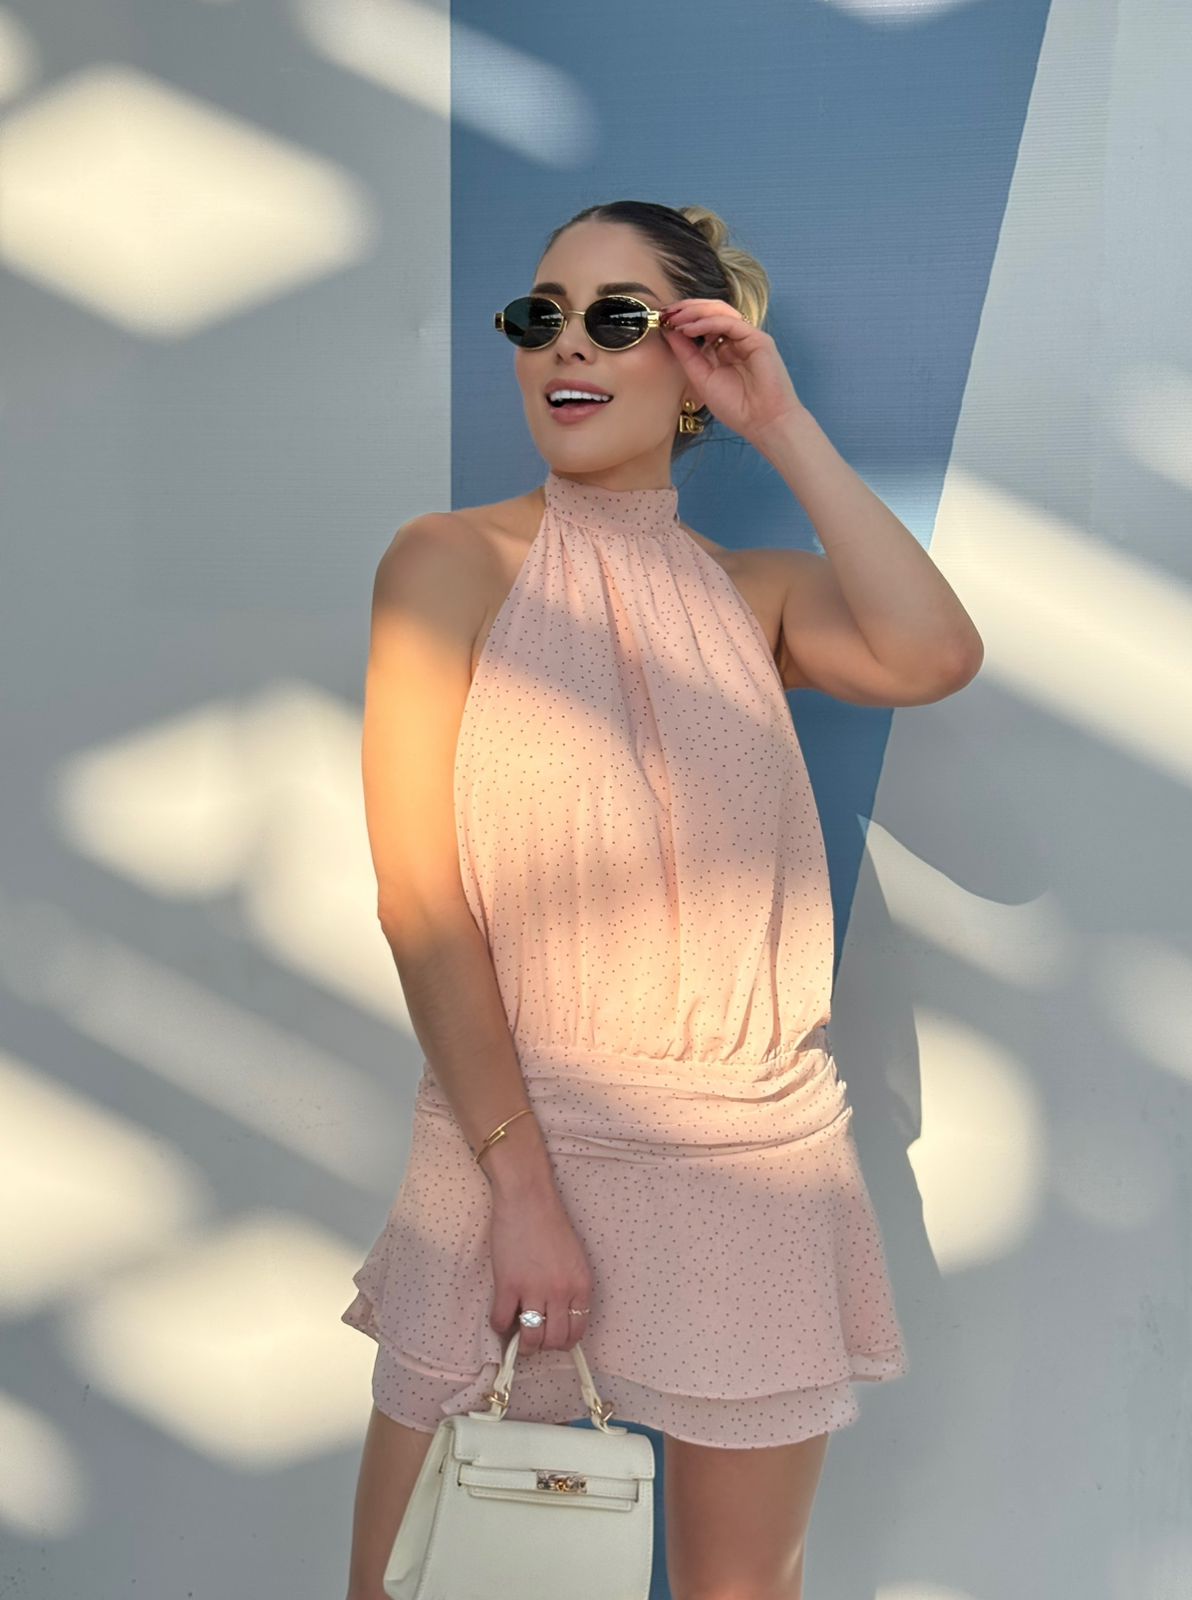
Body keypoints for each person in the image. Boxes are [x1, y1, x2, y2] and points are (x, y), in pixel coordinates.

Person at [341, 199, 984, 1600]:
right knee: (419, 1581)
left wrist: (781, 426)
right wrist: (521, 1189)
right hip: (520, 1142)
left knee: (741, 1591)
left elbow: (933, 654)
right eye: (541, 316)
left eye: (616, 318)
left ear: (693, 360)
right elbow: (418, 899)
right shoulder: (448, 564)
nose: (566, 346)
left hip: (746, 1153)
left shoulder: (753, 597)